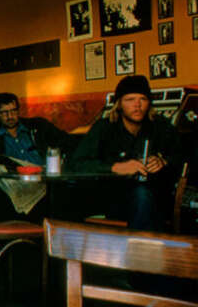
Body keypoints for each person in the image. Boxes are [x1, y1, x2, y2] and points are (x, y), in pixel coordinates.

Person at [70, 75, 181, 230]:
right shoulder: (104, 128)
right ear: (119, 104)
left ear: (149, 103)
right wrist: (115, 167)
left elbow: (182, 158)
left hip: (157, 199)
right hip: (113, 200)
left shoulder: (161, 127)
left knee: (145, 196)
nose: (137, 105)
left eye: (143, 99)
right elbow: (77, 164)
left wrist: (164, 162)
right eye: (130, 99)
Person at [0, 92, 71, 165]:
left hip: (43, 177)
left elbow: (66, 141)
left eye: (13, 111)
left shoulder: (38, 125)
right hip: (13, 182)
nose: (10, 116)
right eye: (4, 113)